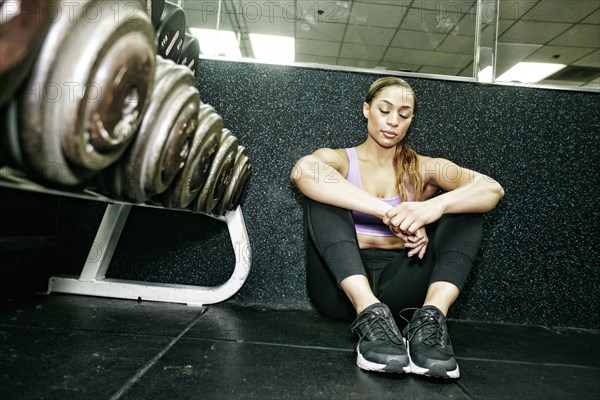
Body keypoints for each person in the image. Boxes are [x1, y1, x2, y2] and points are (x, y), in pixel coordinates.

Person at [291, 76, 504, 379]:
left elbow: (492, 189)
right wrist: (390, 213)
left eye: (403, 115)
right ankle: (369, 313)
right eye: (384, 110)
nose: (393, 121)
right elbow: (303, 170)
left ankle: (431, 321)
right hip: (341, 292)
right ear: (367, 109)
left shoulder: (426, 167)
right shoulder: (337, 158)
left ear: (411, 120)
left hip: (404, 288)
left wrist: (432, 207)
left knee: (467, 204)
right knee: (323, 195)